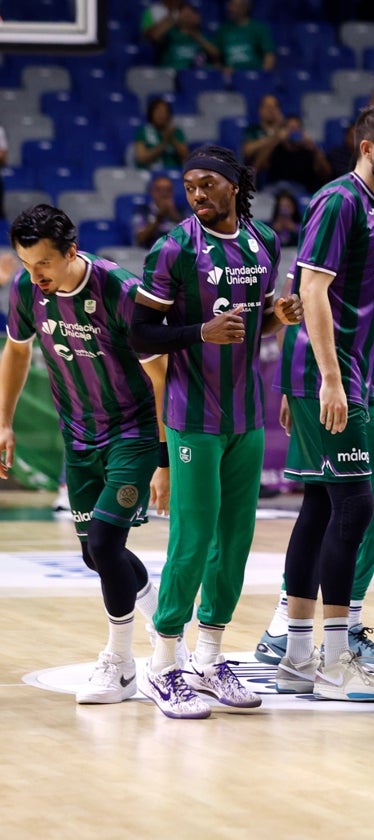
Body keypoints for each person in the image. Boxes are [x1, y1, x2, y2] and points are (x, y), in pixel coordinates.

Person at [257, 110, 374, 673]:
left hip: (345, 376)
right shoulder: (340, 200)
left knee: (321, 507)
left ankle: (297, 649)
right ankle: (334, 651)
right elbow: (310, 289)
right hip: (330, 377)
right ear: (366, 147)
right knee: (356, 505)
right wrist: (327, 379)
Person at [131, 144, 302, 719]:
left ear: (235, 186)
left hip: (245, 414)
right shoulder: (174, 247)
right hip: (191, 417)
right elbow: (139, 335)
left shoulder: (265, 242)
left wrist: (279, 312)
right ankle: (162, 663)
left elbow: (257, 312)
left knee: (235, 541)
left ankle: (209, 657)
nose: (198, 194)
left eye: (208, 184)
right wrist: (199, 333)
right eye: (190, 186)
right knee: (193, 539)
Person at [0, 205, 170, 705]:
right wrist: (4, 421)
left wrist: (163, 458)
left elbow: (160, 374)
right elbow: (16, 350)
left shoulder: (120, 290)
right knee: (94, 554)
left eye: (44, 265)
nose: (35, 276)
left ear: (72, 252)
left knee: (104, 542)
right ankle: (167, 626)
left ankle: (121, 663)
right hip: (78, 437)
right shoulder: (26, 289)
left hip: (132, 432)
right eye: (26, 264)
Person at [262, 115, 332, 195]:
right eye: (290, 128)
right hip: (275, 189)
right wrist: (276, 140)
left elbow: (327, 173)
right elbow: (259, 165)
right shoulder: (276, 148)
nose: (293, 132)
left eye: (296, 128)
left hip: (299, 191)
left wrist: (314, 147)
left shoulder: (309, 151)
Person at [147, 2, 221, 70]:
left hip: (194, 74)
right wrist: (171, 19)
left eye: (191, 14)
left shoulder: (203, 35)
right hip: (171, 73)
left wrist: (196, 36)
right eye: (185, 14)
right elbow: (154, 36)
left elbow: (216, 54)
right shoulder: (170, 34)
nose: (188, 17)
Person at [213, 0, 276, 72]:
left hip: (253, 75)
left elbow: (269, 56)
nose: (230, 8)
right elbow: (216, 56)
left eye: (234, 6)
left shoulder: (259, 28)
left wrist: (263, 76)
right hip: (229, 76)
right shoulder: (223, 29)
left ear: (245, 8)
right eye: (229, 5)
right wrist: (221, 70)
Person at [134, 97, 190, 172]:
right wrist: (163, 144)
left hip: (174, 172)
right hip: (150, 172)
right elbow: (141, 158)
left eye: (164, 111)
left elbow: (185, 156)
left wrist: (172, 139)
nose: (161, 115)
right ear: (151, 113)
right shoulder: (143, 131)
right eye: (158, 111)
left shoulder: (176, 132)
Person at [132, 174, 186, 248]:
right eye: (159, 190)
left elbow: (192, 236)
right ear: (152, 192)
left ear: (172, 192)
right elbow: (140, 238)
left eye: (168, 190)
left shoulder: (181, 211)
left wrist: (173, 214)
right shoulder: (143, 211)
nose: (164, 194)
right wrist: (158, 219)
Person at [242, 94, 286, 175]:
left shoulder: (285, 130)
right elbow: (248, 150)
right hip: (260, 174)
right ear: (260, 110)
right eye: (268, 107)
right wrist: (274, 138)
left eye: (274, 107)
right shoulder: (253, 130)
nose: (271, 110)